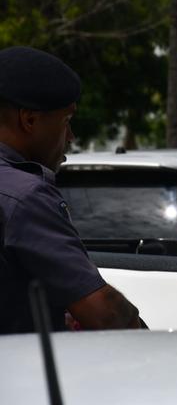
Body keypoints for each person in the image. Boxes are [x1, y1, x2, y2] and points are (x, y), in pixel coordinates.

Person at [0, 46, 142, 333]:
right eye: (66, 122)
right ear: (29, 120)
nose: (71, 138)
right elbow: (107, 315)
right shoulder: (25, 195)